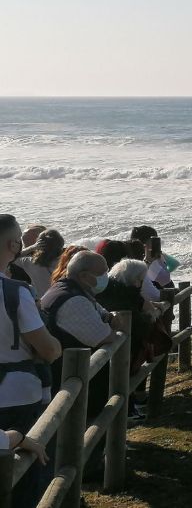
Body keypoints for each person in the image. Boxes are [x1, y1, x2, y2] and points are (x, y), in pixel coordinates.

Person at [41, 250, 123, 477]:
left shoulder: (70, 290)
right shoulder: (73, 300)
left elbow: (104, 315)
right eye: (102, 273)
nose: (106, 277)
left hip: (68, 375)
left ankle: (84, 466)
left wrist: (108, 319)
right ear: (85, 276)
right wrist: (111, 325)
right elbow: (104, 336)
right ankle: (85, 470)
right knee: (84, 424)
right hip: (68, 376)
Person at [0, 215, 61, 508]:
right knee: (26, 473)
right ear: (14, 245)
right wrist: (54, 347)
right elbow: (48, 350)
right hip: (18, 394)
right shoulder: (15, 292)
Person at [17, 229, 65, 296]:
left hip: (43, 300)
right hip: (64, 298)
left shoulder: (30, 262)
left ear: (39, 246)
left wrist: (32, 247)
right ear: (61, 243)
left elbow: (13, 256)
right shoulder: (66, 261)